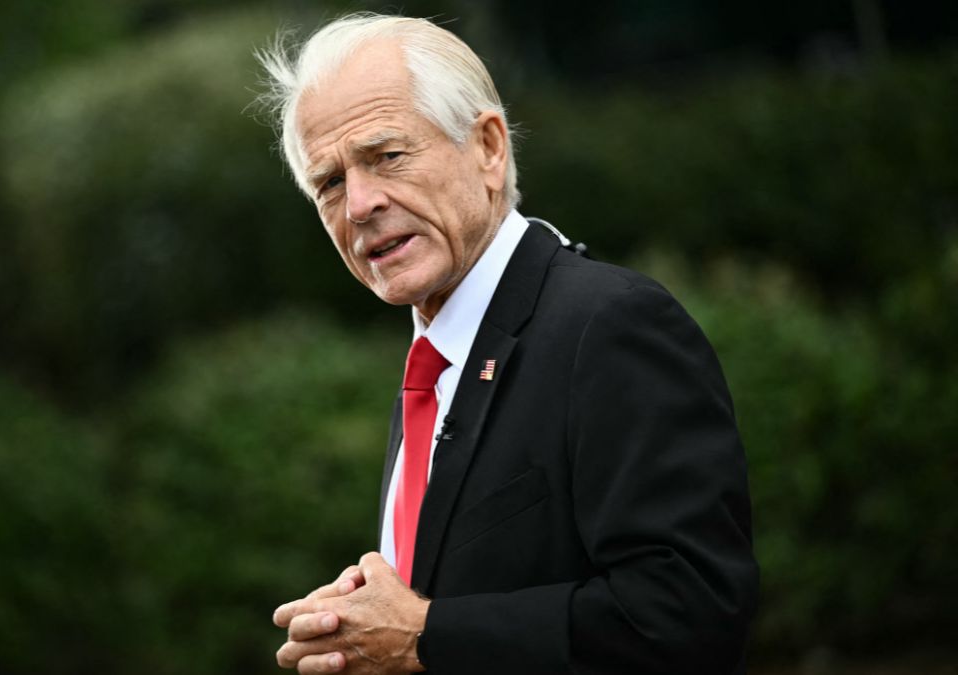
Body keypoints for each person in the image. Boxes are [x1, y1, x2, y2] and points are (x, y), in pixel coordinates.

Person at [257, 14, 758, 675]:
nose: (359, 204)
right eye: (329, 182)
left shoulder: (610, 325)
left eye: (386, 156)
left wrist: (427, 634)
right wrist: (368, 636)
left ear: (489, 147)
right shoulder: (434, 369)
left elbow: (692, 613)